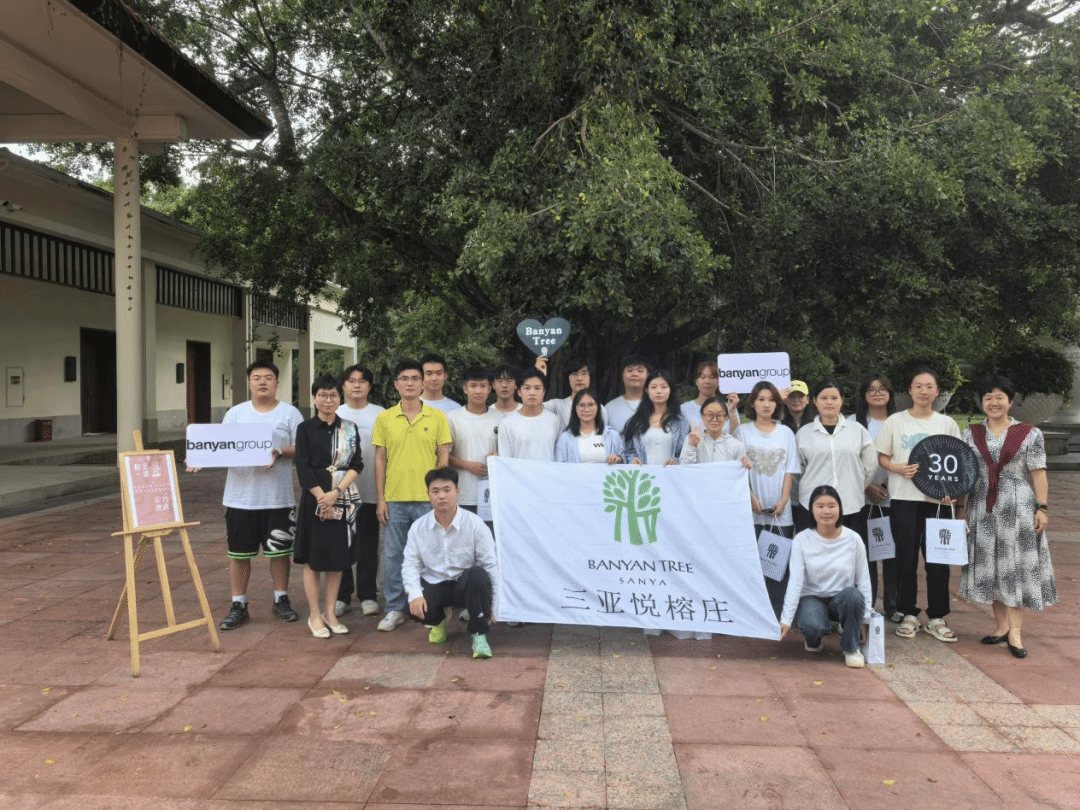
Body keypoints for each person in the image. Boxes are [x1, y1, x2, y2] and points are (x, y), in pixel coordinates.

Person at [199, 359, 304, 631]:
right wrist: (201, 457)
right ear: (249, 383)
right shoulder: (235, 414)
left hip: (278, 498)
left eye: (268, 377)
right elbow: (220, 446)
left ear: (277, 382)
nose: (262, 382)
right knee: (239, 554)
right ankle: (238, 604)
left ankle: (281, 599)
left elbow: (302, 447)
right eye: (257, 378)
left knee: (279, 553)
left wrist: (280, 451)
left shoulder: (290, 414)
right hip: (240, 498)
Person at [959, 375, 1056, 659]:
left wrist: (1042, 507)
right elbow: (964, 474)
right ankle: (1001, 626)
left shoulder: (1029, 434)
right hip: (982, 508)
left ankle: (1015, 633)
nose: (994, 402)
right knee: (991, 566)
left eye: (999, 397)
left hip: (1018, 509)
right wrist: (960, 507)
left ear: (1010, 401)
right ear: (982, 402)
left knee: (1014, 566)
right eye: (988, 397)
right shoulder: (971, 434)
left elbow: (1038, 473)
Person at [876, 367, 962, 643]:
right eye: (918, 386)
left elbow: (958, 462)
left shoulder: (947, 424)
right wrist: (897, 468)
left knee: (938, 560)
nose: (924, 391)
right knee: (905, 558)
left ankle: (937, 617)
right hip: (904, 498)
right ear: (910, 390)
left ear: (938, 391)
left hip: (938, 502)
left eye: (929, 386)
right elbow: (882, 457)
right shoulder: (895, 421)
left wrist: (952, 493)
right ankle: (908, 613)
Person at [372, 359, 452, 631]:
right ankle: (395, 608)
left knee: (431, 556)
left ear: (422, 383)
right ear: (396, 384)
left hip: (428, 501)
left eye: (415, 378)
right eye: (404, 378)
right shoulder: (385, 418)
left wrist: (440, 495)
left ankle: (431, 609)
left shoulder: (437, 417)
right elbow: (380, 459)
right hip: (395, 499)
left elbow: (443, 456)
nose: (410, 383)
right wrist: (381, 499)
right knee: (394, 555)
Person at [294, 376, 364, 638]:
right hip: (314, 499)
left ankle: (330, 612)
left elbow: (357, 464)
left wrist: (336, 493)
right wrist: (321, 497)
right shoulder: (305, 429)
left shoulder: (349, 428)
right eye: (322, 395)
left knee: (337, 559)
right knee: (312, 559)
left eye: (333, 395)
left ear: (339, 398)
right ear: (314, 398)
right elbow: (302, 466)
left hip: (342, 498)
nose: (328, 400)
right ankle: (314, 614)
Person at [404, 467, 499, 658]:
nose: (442, 496)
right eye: (435, 491)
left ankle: (479, 635)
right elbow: (410, 565)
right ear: (428, 495)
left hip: (465, 586)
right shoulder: (418, 527)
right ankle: (438, 621)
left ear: (457, 491)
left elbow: (490, 565)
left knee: (478, 575)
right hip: (436, 585)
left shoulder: (475, 524)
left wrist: (496, 604)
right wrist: (415, 595)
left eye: (447, 490)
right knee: (410, 603)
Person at [796, 381, 877, 598]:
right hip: (813, 508)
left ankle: (857, 605)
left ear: (842, 400)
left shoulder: (857, 431)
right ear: (815, 401)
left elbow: (870, 464)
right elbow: (798, 469)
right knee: (815, 559)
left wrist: (856, 485)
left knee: (854, 558)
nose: (829, 403)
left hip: (850, 504)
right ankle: (814, 603)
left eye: (834, 398)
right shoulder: (804, 433)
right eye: (824, 398)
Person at [779, 485, 873, 668]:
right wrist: (786, 620)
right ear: (811, 509)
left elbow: (864, 581)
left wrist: (865, 619)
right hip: (812, 598)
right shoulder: (801, 540)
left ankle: (851, 647)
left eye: (831, 506)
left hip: (841, 599)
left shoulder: (854, 539)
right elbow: (795, 582)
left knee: (853, 596)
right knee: (812, 624)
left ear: (840, 508)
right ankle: (815, 638)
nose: (826, 511)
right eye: (820, 506)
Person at [734, 380, 800, 617]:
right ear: (752, 403)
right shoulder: (742, 432)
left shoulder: (786, 433)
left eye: (771, 399)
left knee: (776, 568)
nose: (766, 404)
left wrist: (783, 500)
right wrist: (751, 498)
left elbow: (790, 470)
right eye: (761, 399)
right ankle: (751, 615)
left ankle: (776, 616)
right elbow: (738, 470)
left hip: (780, 514)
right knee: (750, 567)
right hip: (750, 511)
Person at [334, 364, 384, 619]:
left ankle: (367, 595)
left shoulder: (381, 414)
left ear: (369, 386)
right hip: (339, 493)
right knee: (340, 544)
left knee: (368, 546)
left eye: (362, 381)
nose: (356, 385)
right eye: (351, 380)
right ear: (343, 385)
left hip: (370, 492)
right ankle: (341, 596)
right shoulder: (334, 412)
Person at [848, 373, 899, 621]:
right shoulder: (852, 423)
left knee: (891, 554)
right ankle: (867, 603)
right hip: (860, 498)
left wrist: (886, 485)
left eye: (882, 389)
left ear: (890, 393)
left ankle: (893, 605)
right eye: (871, 389)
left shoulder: (900, 421)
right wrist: (868, 486)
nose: (877, 393)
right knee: (864, 554)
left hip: (894, 496)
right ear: (864, 394)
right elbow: (848, 460)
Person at [448, 366, 504, 521]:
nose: (478, 391)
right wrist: (468, 466)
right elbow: (443, 455)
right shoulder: (452, 418)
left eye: (483, 386)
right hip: (462, 494)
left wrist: (498, 455)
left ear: (490, 389)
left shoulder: (501, 418)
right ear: (465, 388)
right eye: (473, 386)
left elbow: (508, 454)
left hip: (492, 495)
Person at [623, 370, 690, 465]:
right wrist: (632, 460)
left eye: (664, 387)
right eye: (653, 387)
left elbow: (686, 453)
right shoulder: (635, 422)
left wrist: (676, 461)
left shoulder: (681, 422)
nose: (658, 391)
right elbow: (627, 451)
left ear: (670, 390)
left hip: (672, 473)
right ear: (647, 390)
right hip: (643, 474)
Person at [497, 367, 561, 461]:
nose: (532, 393)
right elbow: (505, 460)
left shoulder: (554, 420)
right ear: (519, 391)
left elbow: (559, 457)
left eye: (537, 388)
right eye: (527, 388)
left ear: (543, 392)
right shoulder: (507, 423)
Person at [535, 355, 608, 432]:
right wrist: (538, 374)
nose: (579, 378)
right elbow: (532, 408)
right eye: (575, 374)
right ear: (567, 378)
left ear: (590, 377)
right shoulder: (558, 406)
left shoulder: (600, 410)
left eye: (584, 373)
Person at [554, 388, 624, 463]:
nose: (586, 410)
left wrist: (618, 459)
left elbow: (624, 462)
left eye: (591, 405)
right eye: (582, 405)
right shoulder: (565, 438)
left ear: (598, 407)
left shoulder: (612, 435)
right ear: (575, 408)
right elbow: (559, 467)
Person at [781, 380, 814, 530]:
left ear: (808, 399)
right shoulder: (777, 425)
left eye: (800, 396)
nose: (796, 400)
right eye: (791, 396)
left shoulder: (816, 425)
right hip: (785, 493)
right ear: (785, 400)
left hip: (809, 493)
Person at [680, 396, 749, 465]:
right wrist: (692, 446)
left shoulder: (737, 445)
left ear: (726, 418)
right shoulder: (691, 439)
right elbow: (684, 467)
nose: (714, 419)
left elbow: (740, 470)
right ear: (702, 417)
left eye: (719, 415)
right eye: (710, 415)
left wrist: (745, 465)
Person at [681, 361, 740, 436]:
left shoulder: (729, 408)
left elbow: (736, 437)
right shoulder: (683, 409)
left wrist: (732, 411)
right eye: (703, 377)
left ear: (719, 381)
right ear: (696, 381)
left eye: (712, 377)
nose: (707, 381)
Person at [605, 355, 650, 433]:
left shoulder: (656, 405)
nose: (635, 374)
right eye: (630, 370)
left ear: (648, 375)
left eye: (640, 371)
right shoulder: (610, 407)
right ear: (622, 375)